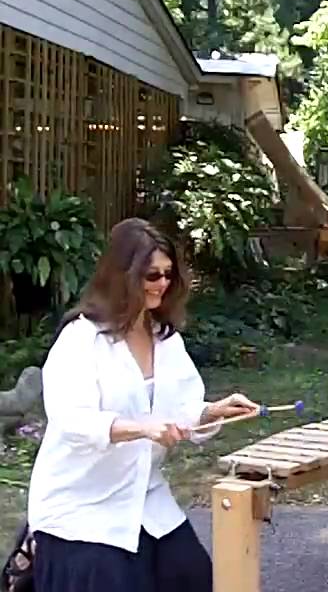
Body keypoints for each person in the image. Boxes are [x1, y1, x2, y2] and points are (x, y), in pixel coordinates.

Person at [24, 218, 259, 592]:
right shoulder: (81, 339)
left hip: (146, 497)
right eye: (152, 275)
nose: (163, 283)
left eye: (168, 274)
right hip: (81, 508)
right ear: (124, 276)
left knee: (195, 576)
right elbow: (72, 421)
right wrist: (142, 428)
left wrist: (213, 411)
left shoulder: (165, 338)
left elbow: (181, 410)